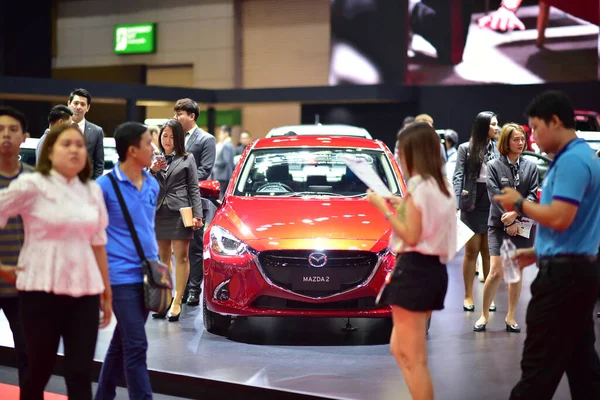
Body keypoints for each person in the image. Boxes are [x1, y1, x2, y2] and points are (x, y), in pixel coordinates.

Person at [494, 90, 600, 399]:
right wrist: (537, 252)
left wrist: (519, 203)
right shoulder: (583, 157)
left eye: (537, 128)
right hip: (577, 274)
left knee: (538, 369)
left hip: (562, 283)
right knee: (582, 367)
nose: (534, 139)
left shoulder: (571, 161)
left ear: (555, 121)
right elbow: (575, 227)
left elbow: (560, 217)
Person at [0, 122, 112, 399]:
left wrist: (107, 292)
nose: (75, 149)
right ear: (50, 152)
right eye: (67, 144)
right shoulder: (31, 185)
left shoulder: (92, 190)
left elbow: (98, 243)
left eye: (80, 145)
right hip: (40, 290)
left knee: (80, 372)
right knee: (40, 368)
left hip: (84, 291)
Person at [367, 121, 456, 400]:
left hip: (415, 270)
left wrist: (383, 207)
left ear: (411, 153)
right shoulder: (440, 186)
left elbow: (411, 233)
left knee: (414, 358)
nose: (398, 156)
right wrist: (400, 203)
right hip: (430, 271)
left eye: (400, 150)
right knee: (400, 347)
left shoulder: (420, 187)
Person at [95, 122, 158, 399]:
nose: (153, 148)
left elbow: (147, 227)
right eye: (148, 143)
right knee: (136, 344)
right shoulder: (104, 187)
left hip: (149, 277)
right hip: (118, 278)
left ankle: (103, 395)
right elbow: (93, 236)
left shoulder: (153, 184)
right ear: (133, 150)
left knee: (122, 343)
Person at [473, 123, 538, 333]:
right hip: (498, 224)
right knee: (495, 272)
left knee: (516, 272)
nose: (521, 143)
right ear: (506, 142)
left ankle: (510, 317)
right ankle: (484, 315)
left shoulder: (531, 166)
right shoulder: (493, 165)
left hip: (522, 224)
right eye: (516, 139)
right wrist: (507, 219)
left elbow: (532, 194)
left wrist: (516, 215)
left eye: (523, 139)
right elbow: (494, 194)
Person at [150, 119, 203, 322]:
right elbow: (145, 183)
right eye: (165, 136)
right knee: (163, 258)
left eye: (172, 137)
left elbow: (193, 188)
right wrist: (152, 170)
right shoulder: (154, 158)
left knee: (181, 257)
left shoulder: (187, 158)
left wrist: (198, 215)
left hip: (180, 212)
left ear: (179, 139)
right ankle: (165, 299)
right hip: (158, 211)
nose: (168, 140)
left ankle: (178, 301)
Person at [453, 111, 500, 311]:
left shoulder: (498, 149)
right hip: (470, 202)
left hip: (491, 202)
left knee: (488, 253)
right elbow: (458, 176)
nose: (497, 128)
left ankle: (489, 296)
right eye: (494, 125)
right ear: (484, 126)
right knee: (471, 251)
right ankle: (468, 296)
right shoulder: (465, 148)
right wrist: (456, 203)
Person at [174, 98, 216, 306]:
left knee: (194, 247)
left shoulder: (206, 139)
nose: (176, 117)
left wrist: (179, 179)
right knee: (178, 247)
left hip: (195, 199)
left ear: (191, 116)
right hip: (174, 200)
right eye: (175, 114)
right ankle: (180, 289)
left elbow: (204, 170)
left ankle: (193, 290)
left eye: (179, 114)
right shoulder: (173, 138)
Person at [0, 107, 31, 390]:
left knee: (29, 353)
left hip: (23, 283)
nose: (5, 135)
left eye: (12, 130)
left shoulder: (36, 181)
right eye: (0, 130)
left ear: (24, 137)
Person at [67, 88, 105, 179]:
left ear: (88, 108)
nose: (79, 107)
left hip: (86, 184)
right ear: (68, 104)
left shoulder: (97, 131)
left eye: (83, 104)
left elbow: (99, 164)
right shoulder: (60, 128)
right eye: (76, 103)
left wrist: (94, 185)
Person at [213, 125, 236, 199]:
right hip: (227, 174)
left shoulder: (226, 145)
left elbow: (225, 161)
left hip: (222, 175)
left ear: (226, 134)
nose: (220, 136)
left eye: (221, 133)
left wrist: (214, 163)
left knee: (220, 196)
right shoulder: (231, 145)